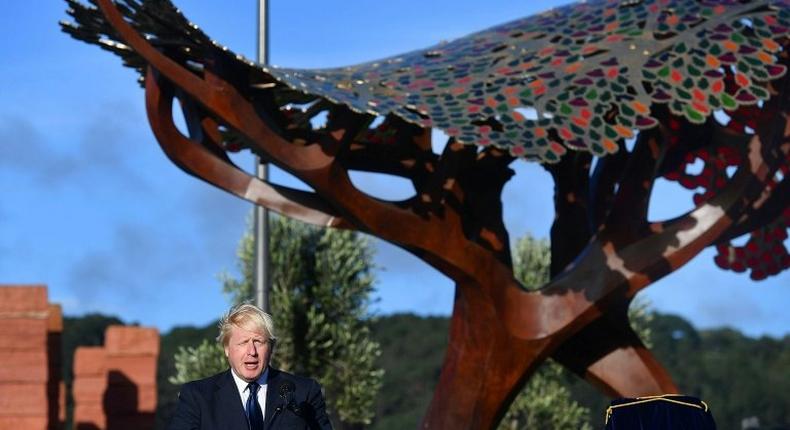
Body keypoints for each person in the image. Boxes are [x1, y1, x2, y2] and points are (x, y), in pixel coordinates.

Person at [168, 303, 333, 430]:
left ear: (271, 347)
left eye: (258, 342)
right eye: (243, 342)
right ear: (227, 348)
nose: (251, 351)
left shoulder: (304, 392)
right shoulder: (197, 397)